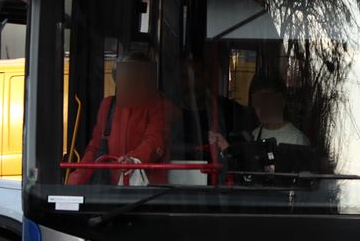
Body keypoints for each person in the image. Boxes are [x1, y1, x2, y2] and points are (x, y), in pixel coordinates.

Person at [69, 53, 170, 185]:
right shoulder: (108, 105)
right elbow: (95, 147)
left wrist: (134, 159)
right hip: (112, 189)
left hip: (148, 189)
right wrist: (75, 180)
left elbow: (154, 140)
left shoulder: (158, 105)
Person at [174, 52, 255, 161]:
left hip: (217, 175)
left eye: (196, 76)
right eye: (185, 77)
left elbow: (249, 137)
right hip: (177, 176)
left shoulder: (228, 109)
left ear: (206, 77)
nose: (190, 84)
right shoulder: (167, 112)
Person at [210, 75, 309, 152]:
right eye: (257, 101)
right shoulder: (253, 136)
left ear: (281, 101)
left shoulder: (297, 140)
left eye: (266, 99)